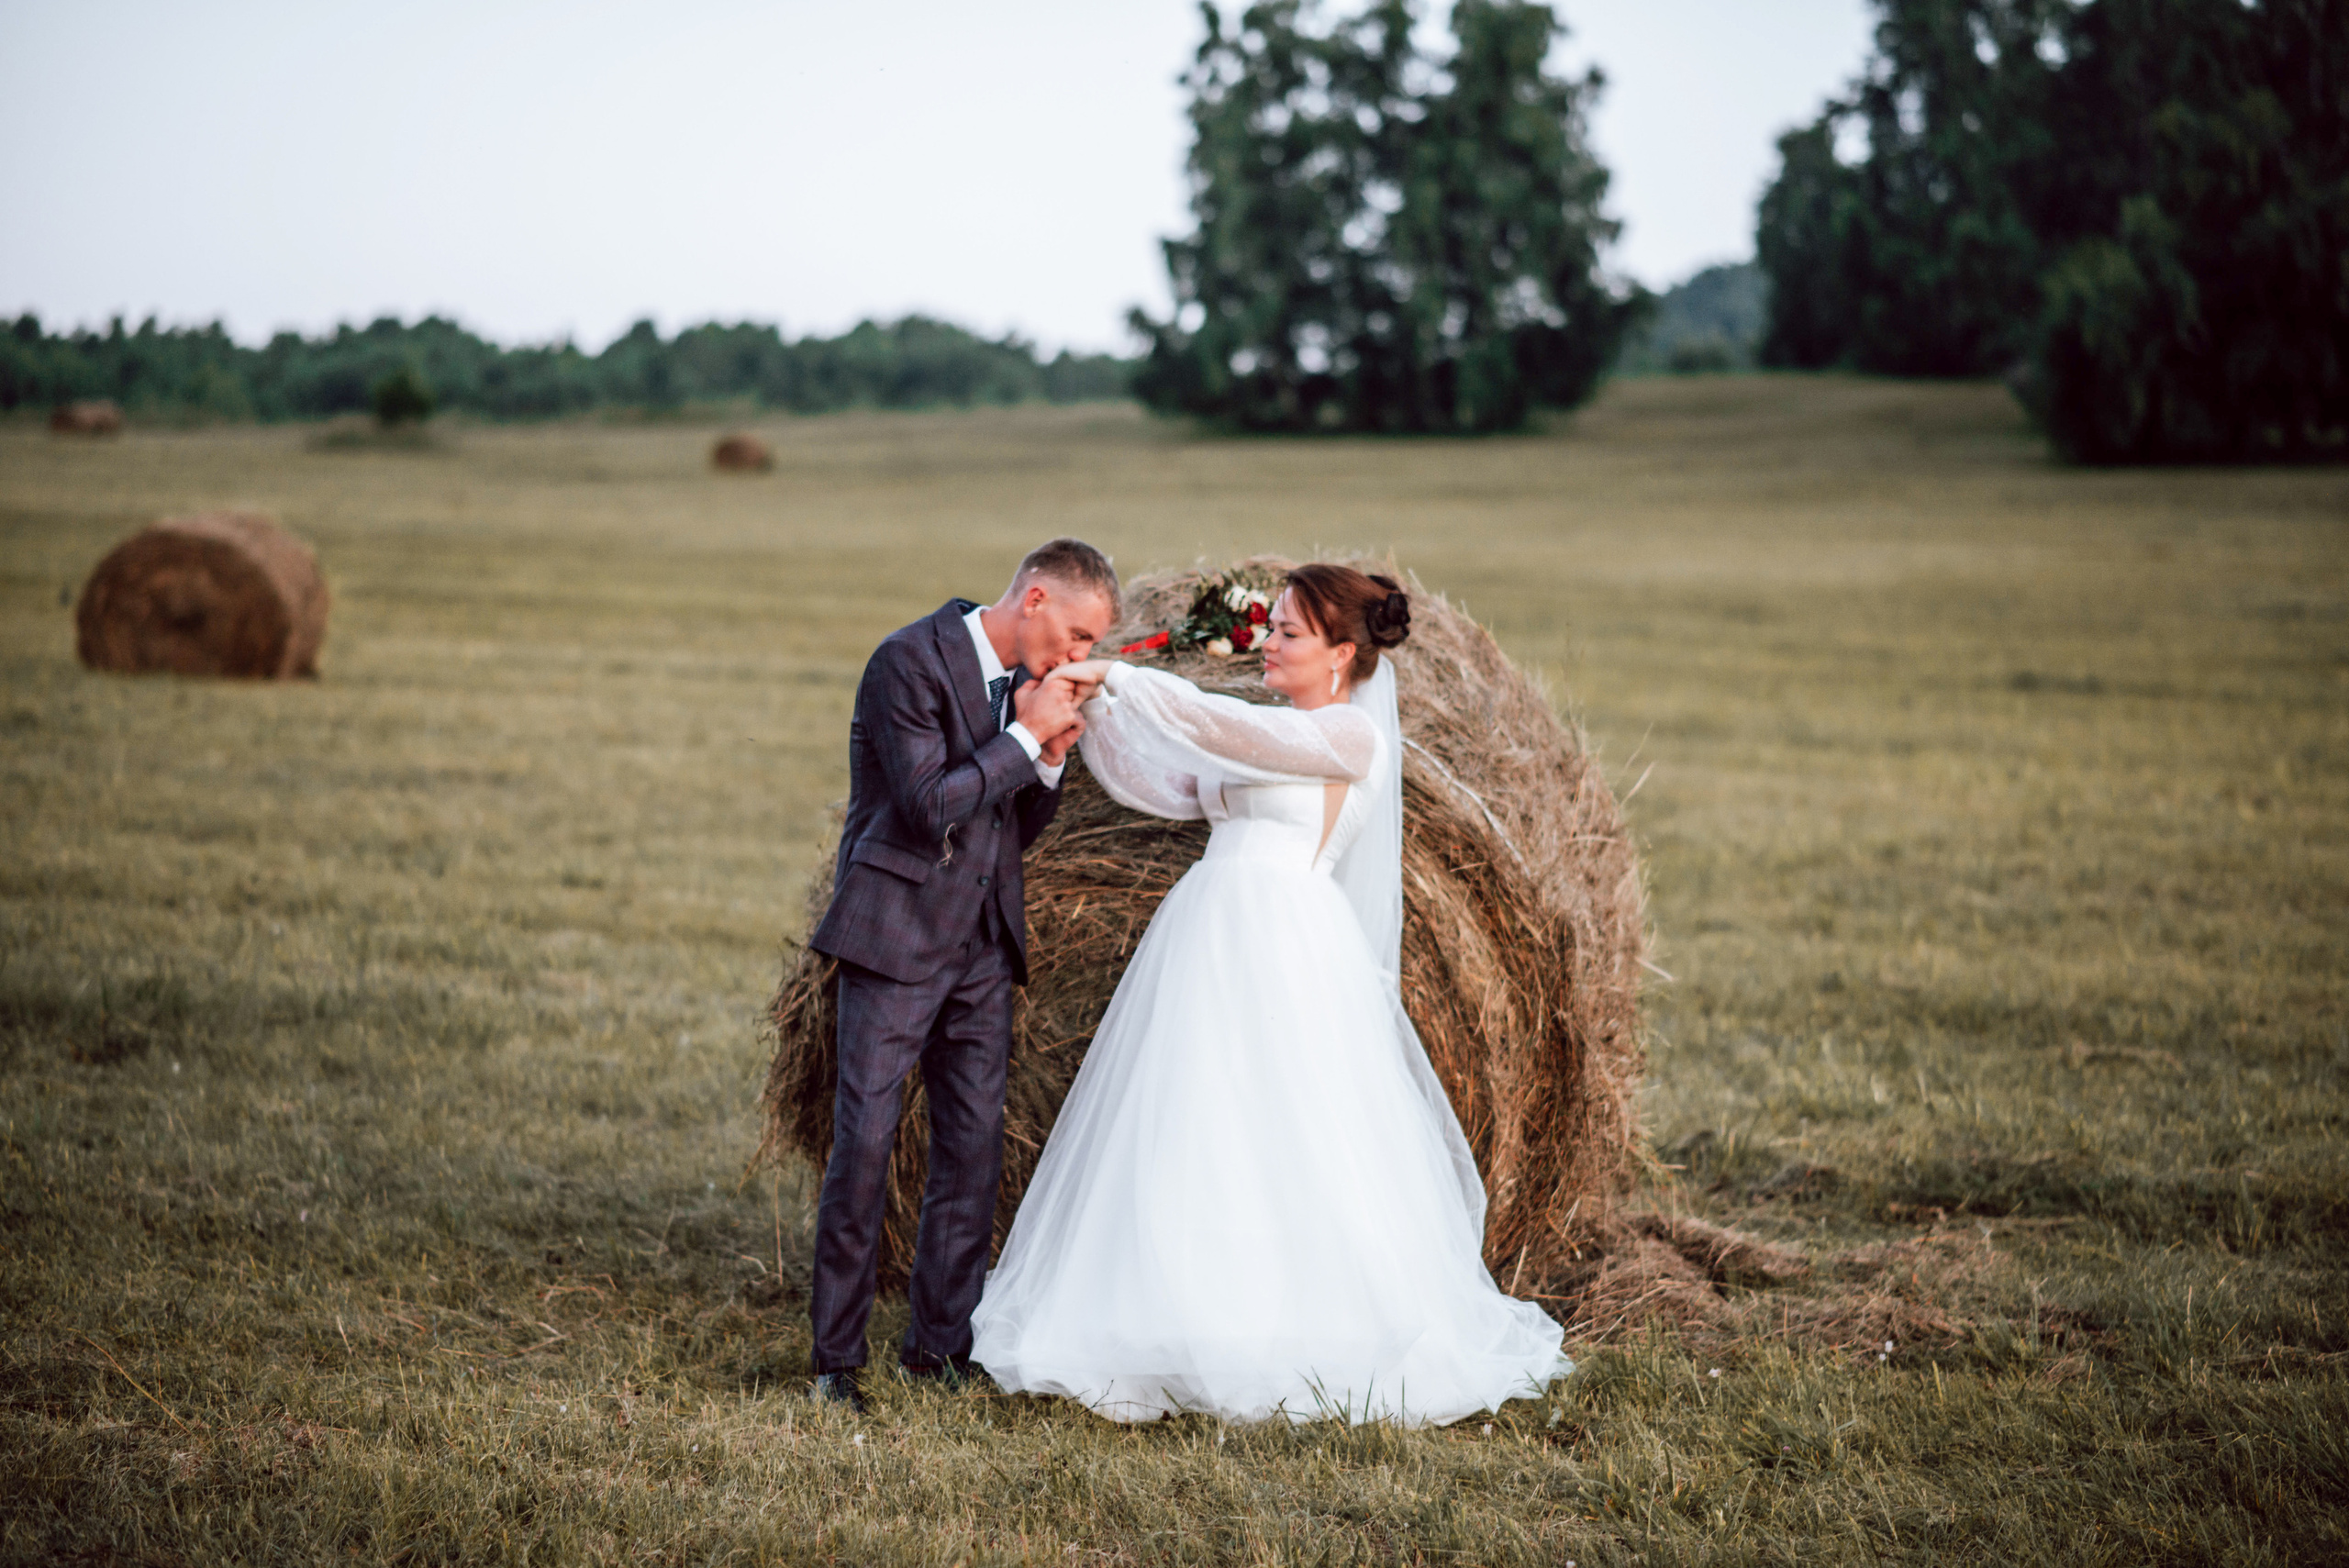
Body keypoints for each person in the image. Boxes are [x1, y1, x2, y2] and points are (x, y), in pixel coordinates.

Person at [968, 563, 1572, 1425]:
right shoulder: (1271, 732)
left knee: (1284, 1125)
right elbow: (1168, 784)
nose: (1269, 642)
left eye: (1289, 632)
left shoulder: (1348, 739)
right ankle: (1177, 1314)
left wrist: (1128, 678)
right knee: (1195, 1120)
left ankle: (1289, 1325)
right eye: (1273, 626)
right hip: (1209, 928)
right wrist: (1091, 718)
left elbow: (1217, 724)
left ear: (1341, 654)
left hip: (1283, 937)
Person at [806, 539, 1119, 1414]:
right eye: (1080, 633)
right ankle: (836, 1359)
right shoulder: (908, 661)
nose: (1078, 655)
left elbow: (1006, 829)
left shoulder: (1023, 683)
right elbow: (928, 805)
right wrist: (1023, 733)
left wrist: (1049, 755)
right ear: (1035, 598)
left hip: (983, 946)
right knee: (865, 1144)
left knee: (972, 1151)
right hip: (896, 937)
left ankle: (939, 1347)